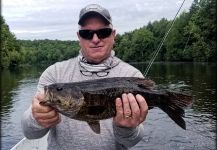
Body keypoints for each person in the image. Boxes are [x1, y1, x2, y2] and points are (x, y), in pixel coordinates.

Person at [21, 4, 148, 150]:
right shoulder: (54, 74)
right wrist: (36, 118)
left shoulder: (132, 76)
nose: (95, 39)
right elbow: (29, 133)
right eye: (87, 34)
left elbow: (132, 142)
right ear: (78, 37)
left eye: (103, 32)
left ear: (113, 35)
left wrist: (126, 129)